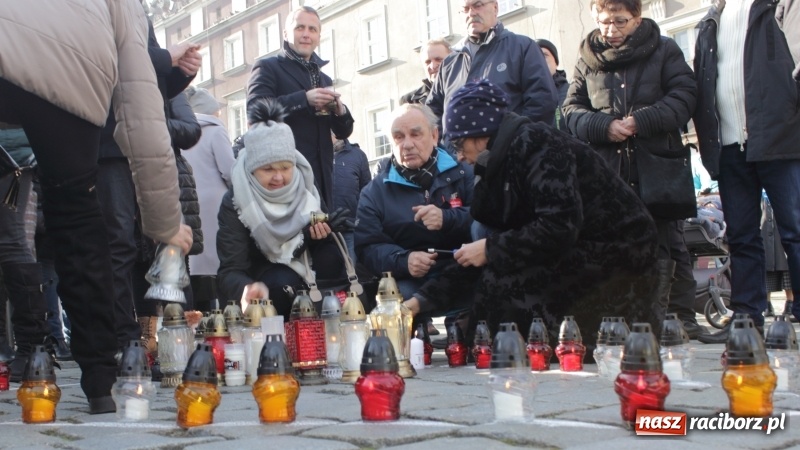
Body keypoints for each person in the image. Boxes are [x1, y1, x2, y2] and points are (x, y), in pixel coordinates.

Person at [0, 0, 192, 414]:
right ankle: (100, 381)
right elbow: (141, 114)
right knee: (76, 215)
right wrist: (165, 223)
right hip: (69, 68)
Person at [406, 79, 660, 354]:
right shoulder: (499, 161)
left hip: (619, 250)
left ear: (480, 134)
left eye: (459, 144)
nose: (459, 157)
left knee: (505, 291)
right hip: (578, 244)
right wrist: (417, 302)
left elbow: (559, 226)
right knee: (495, 284)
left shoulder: (539, 144)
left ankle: (565, 343)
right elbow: (486, 251)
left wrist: (491, 249)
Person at [561, 0, 702, 338]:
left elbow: (684, 95)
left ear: (638, 18)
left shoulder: (665, 49)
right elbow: (569, 110)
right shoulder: (587, 58)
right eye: (604, 21)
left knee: (665, 242)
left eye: (620, 21)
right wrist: (603, 126)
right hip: (607, 170)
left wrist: (643, 120)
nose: (611, 30)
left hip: (656, 166)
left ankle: (674, 321)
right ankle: (619, 322)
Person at [693, 0, 800, 341]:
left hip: (780, 137)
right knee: (740, 235)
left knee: (794, 229)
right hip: (728, 145)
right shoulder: (710, 21)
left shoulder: (781, 7)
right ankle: (747, 317)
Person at [96, 19, 200, 351]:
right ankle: (123, 337)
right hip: (107, 142)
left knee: (157, 242)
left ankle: (153, 339)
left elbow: (151, 84)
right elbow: (109, 60)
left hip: (144, 142)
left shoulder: (140, 12)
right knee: (120, 243)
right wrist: (166, 57)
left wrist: (181, 70)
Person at [216, 99, 353, 319]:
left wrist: (323, 234)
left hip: (311, 276)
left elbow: (318, 248)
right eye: (268, 169)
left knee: (331, 259)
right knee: (280, 284)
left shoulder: (306, 184)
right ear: (252, 169)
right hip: (268, 280)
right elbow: (231, 269)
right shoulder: (236, 201)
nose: (279, 177)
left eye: (285, 167)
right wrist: (247, 289)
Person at [355, 103, 475, 331]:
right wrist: (404, 259)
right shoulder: (375, 192)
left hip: (464, 270)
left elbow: (487, 219)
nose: (407, 144)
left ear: (434, 135)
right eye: (398, 137)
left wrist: (448, 218)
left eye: (415, 134)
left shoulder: (464, 172)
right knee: (393, 296)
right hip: (410, 278)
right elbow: (366, 248)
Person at [247, 5, 354, 211]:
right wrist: (303, 99)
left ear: (318, 36)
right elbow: (255, 112)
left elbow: (342, 132)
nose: (306, 34)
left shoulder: (323, 78)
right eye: (300, 28)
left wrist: (340, 112)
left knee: (324, 239)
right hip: (285, 177)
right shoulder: (268, 67)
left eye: (312, 30)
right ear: (286, 33)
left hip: (322, 178)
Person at [426, 0, 557, 136]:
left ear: (495, 8)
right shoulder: (449, 63)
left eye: (477, 5)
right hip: (456, 156)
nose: (471, 13)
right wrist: (446, 148)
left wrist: (511, 143)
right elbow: (432, 113)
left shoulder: (522, 47)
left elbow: (542, 103)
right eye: (465, 9)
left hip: (509, 154)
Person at [183, 87, 236, 311]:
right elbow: (230, 170)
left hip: (188, 203)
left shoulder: (180, 131)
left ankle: (198, 316)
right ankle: (222, 317)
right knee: (219, 266)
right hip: (216, 205)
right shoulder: (215, 130)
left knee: (195, 265)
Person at [332, 136, 371, 263]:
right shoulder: (315, 154)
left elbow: (366, 192)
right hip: (322, 229)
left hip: (349, 228)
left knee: (351, 274)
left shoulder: (358, 155)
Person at [400, 39, 452, 105]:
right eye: (428, 62)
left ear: (453, 60)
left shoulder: (467, 89)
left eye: (438, 59)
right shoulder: (409, 101)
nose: (433, 66)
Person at [535, 39, 569, 129]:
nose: (540, 60)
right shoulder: (524, 96)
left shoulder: (571, 91)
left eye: (544, 55)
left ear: (556, 62)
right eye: (535, 56)